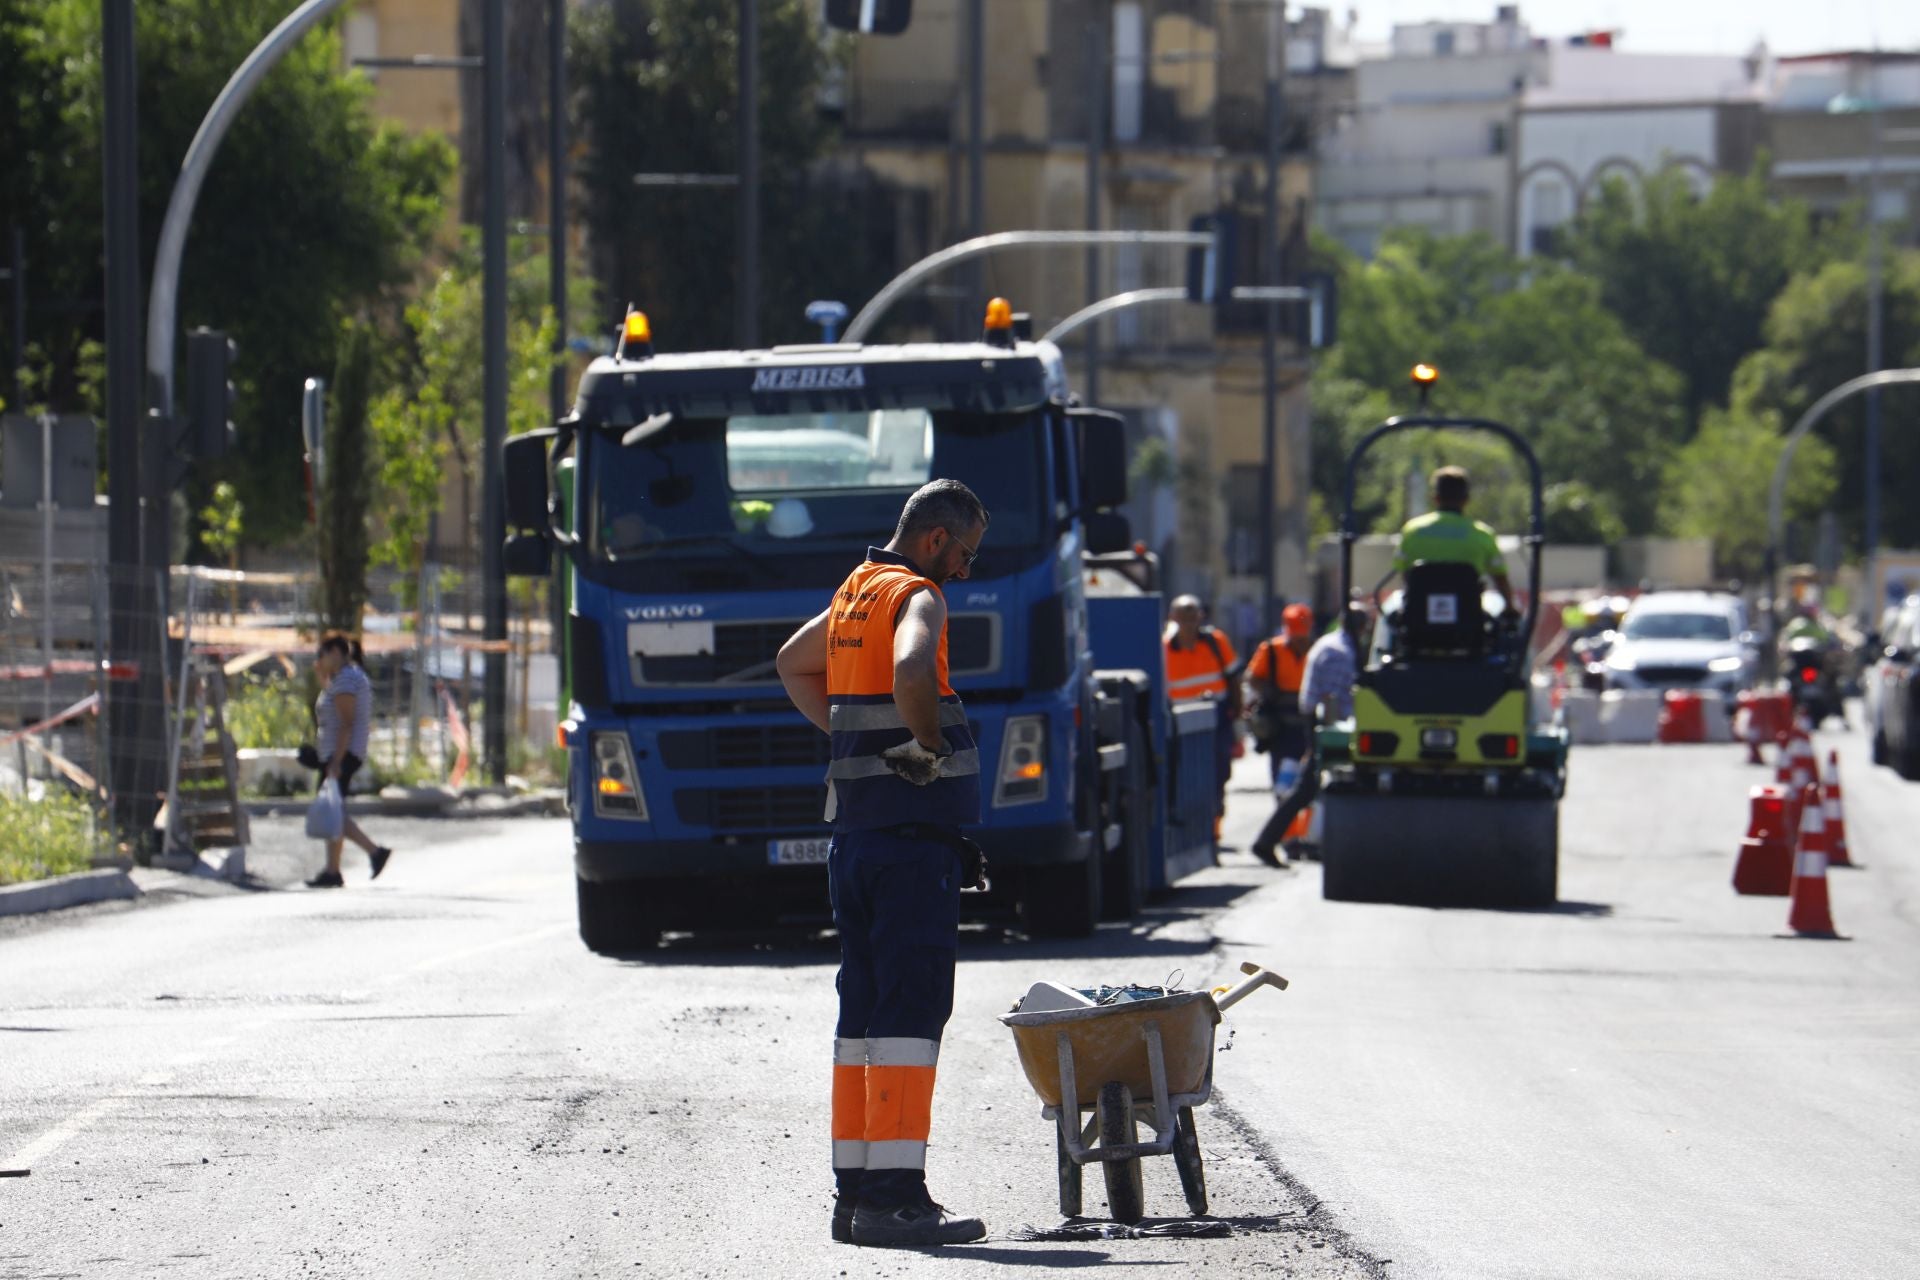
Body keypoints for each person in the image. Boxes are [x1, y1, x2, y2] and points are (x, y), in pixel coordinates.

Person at [775, 479, 990, 1249]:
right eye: (965, 553)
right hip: (909, 845)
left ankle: (855, 1194)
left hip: (856, 842)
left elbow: (792, 664)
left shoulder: (857, 591)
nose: (965, 571)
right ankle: (896, 1200)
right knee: (909, 1014)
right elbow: (909, 670)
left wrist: (850, 740)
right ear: (936, 540)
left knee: (862, 1016)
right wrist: (925, 748)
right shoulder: (918, 595)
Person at [1250, 604, 1369, 866]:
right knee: (1305, 789)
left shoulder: (1330, 644)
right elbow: (1336, 699)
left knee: (1305, 790)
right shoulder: (1339, 652)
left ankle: (1275, 841)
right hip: (1324, 728)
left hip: (1316, 724)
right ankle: (1270, 842)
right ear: (1362, 627)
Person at [304, 632, 393, 889]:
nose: (320, 659)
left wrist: (336, 762)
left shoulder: (347, 679)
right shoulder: (344, 679)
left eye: (323, 654)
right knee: (335, 810)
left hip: (341, 755)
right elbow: (332, 706)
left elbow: (345, 723)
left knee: (334, 812)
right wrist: (322, 678)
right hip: (339, 754)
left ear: (336, 653)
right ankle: (334, 869)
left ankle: (373, 852)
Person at [1241, 603, 1315, 868]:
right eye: (1295, 634)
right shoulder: (1271, 650)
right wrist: (1268, 691)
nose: (1299, 639)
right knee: (1285, 787)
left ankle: (1300, 839)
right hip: (1281, 730)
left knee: (1307, 786)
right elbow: (1252, 677)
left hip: (1307, 728)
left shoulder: (1316, 651)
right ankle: (1288, 839)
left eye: (1303, 634)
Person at [1163, 595, 1239, 836]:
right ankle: (1189, 825)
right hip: (1179, 721)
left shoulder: (1216, 642)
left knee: (1219, 772)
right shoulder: (1164, 648)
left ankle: (1213, 825)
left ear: (1200, 618)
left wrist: (1236, 710)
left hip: (1216, 718)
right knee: (1183, 773)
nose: (1188, 623)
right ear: (1172, 618)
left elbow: (1234, 677)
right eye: (1182, 617)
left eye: (1192, 617)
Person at [1395, 466, 1517, 615]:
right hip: (1468, 621)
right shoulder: (1483, 534)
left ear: (1436, 498)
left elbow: (1404, 571)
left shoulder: (1412, 531)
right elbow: (1500, 578)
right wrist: (1510, 608)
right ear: (1466, 499)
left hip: (1418, 619)